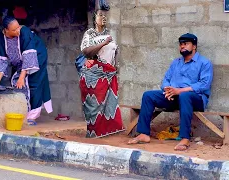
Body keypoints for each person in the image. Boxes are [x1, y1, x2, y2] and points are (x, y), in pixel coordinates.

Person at [127, 33, 213, 151]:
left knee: (185, 95)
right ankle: (143, 134)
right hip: (174, 97)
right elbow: (166, 80)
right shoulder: (176, 63)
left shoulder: (204, 63)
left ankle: (185, 138)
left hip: (195, 99)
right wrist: (168, 90)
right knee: (148, 96)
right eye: (181, 44)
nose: (182, 46)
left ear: (194, 46)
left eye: (186, 44)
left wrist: (179, 91)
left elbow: (204, 85)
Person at [0, 16, 53, 125]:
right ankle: (23, 112)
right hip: (21, 61)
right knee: (18, 84)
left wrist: (21, 77)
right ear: (6, 30)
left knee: (34, 83)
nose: (18, 30)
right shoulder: (1, 37)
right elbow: (1, 58)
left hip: (37, 55)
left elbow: (29, 55)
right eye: (14, 30)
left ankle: (32, 116)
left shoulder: (25, 32)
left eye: (18, 27)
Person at [79, 9, 124, 138]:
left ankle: (104, 134)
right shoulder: (90, 34)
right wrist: (104, 43)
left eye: (105, 16)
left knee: (108, 104)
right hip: (93, 75)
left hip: (108, 74)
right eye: (100, 15)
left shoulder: (109, 34)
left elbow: (114, 54)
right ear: (94, 18)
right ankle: (93, 134)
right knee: (94, 105)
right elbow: (87, 52)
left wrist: (115, 68)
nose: (103, 17)